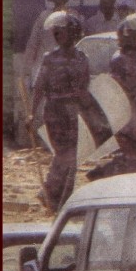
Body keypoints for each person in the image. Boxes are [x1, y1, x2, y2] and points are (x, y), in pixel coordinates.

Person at [28, 12, 96, 211]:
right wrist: (31, 113)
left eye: (61, 30)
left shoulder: (82, 58)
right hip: (55, 111)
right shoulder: (50, 58)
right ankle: (49, 191)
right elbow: (39, 87)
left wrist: (90, 114)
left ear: (72, 32)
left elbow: (85, 88)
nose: (56, 34)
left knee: (73, 157)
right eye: (55, 31)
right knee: (63, 154)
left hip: (74, 113)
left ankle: (64, 199)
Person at [86, 13, 136, 180]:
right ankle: (103, 173)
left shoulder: (132, 58)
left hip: (133, 116)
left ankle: (106, 173)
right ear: (130, 36)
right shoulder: (120, 59)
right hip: (124, 118)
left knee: (134, 159)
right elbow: (116, 92)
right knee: (135, 161)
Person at [24, 0, 84, 88]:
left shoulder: (73, 17)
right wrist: (27, 71)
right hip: (44, 66)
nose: (59, 2)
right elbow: (33, 44)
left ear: (66, 0)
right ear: (53, 0)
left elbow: (80, 41)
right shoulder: (43, 16)